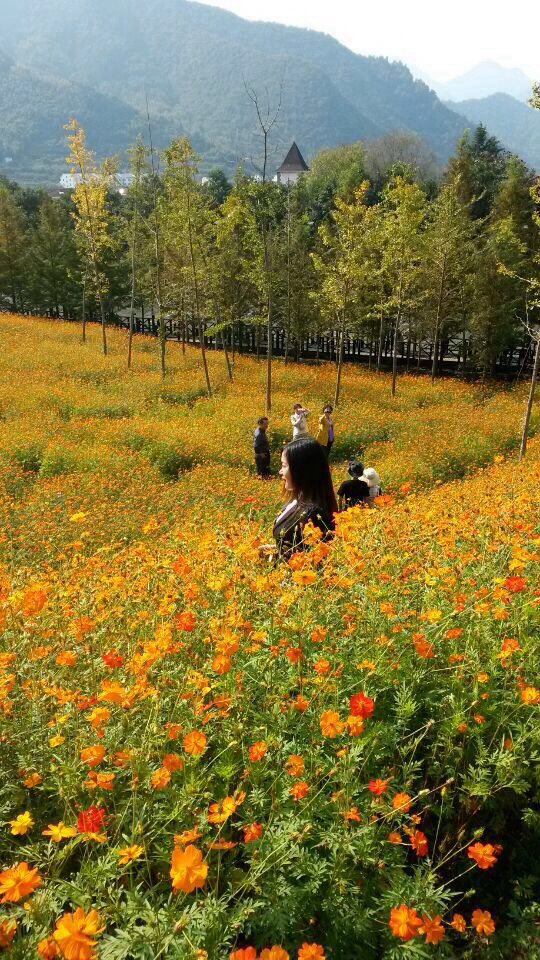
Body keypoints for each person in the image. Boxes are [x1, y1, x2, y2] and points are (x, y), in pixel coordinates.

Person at [272, 437, 337, 559]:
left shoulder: (315, 514)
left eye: (284, 466)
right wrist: (276, 550)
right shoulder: (297, 500)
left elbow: (315, 559)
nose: (280, 471)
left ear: (301, 470)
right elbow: (294, 544)